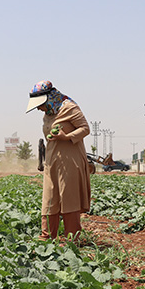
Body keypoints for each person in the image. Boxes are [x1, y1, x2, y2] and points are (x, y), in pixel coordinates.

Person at [26, 80, 91, 240]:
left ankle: (71, 240)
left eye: (40, 104)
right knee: (49, 198)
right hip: (52, 161)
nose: (39, 108)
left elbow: (85, 129)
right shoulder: (48, 114)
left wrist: (66, 137)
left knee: (69, 198)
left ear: (50, 97)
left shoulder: (69, 108)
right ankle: (46, 237)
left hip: (70, 161)